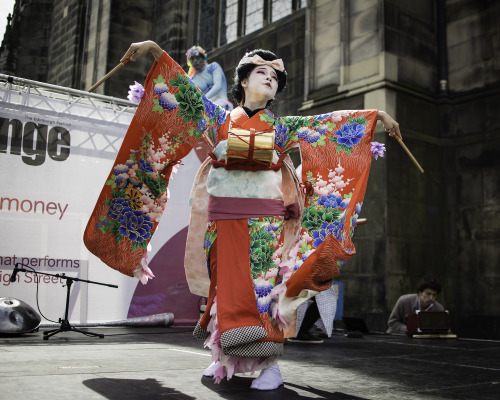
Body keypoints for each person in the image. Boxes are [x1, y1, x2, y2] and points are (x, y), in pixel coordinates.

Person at [84, 40, 401, 391]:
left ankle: (269, 366)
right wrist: (156, 51)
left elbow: (327, 126)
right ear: (244, 82)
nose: (269, 79)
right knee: (224, 290)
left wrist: (376, 117)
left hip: (265, 222)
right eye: (260, 73)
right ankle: (222, 357)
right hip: (222, 220)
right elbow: (183, 91)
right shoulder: (220, 118)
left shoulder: (282, 128)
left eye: (275, 77)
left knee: (262, 292)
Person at [185, 45, 233, 110]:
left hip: (221, 105)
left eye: (197, 58)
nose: (195, 61)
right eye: (192, 59)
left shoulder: (213, 67)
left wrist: (202, 99)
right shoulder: (192, 79)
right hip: (205, 110)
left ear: (203, 58)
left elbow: (218, 85)